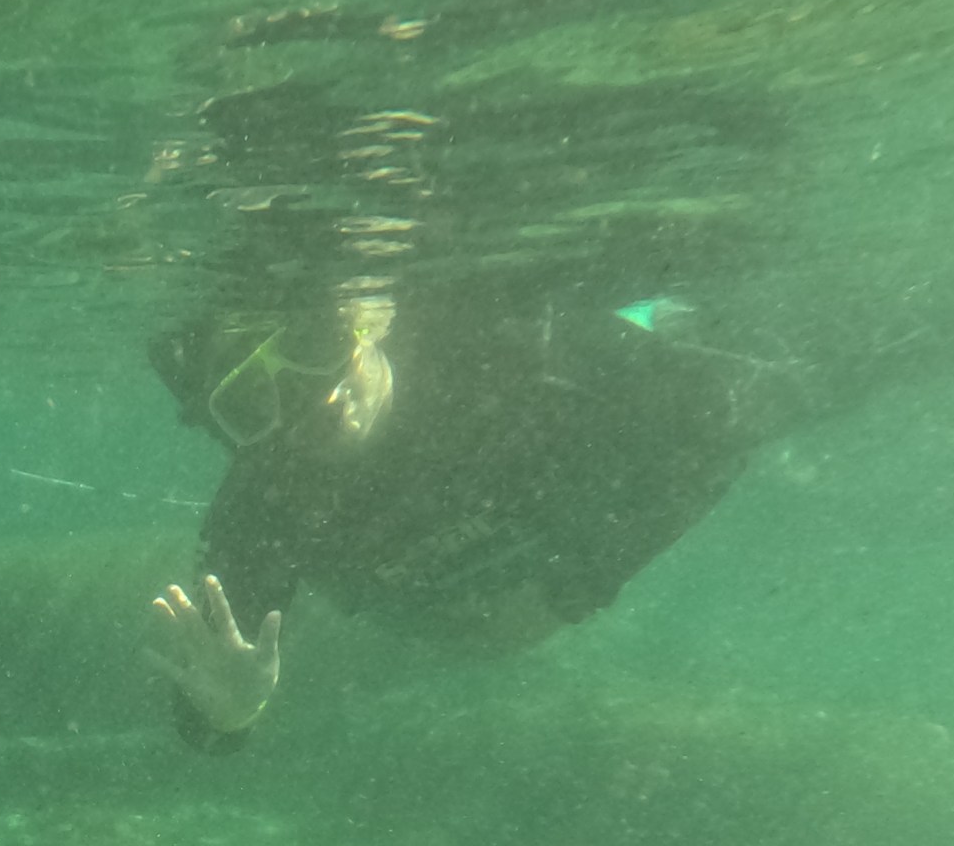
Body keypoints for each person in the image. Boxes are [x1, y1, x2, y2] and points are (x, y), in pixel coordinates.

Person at [143, 276, 763, 747]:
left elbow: (721, 421)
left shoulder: (500, 344)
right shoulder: (261, 508)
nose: (317, 397)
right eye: (252, 398)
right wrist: (235, 712)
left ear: (367, 325)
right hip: (437, 615)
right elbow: (207, 707)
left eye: (314, 345)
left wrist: (581, 585)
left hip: (537, 554)